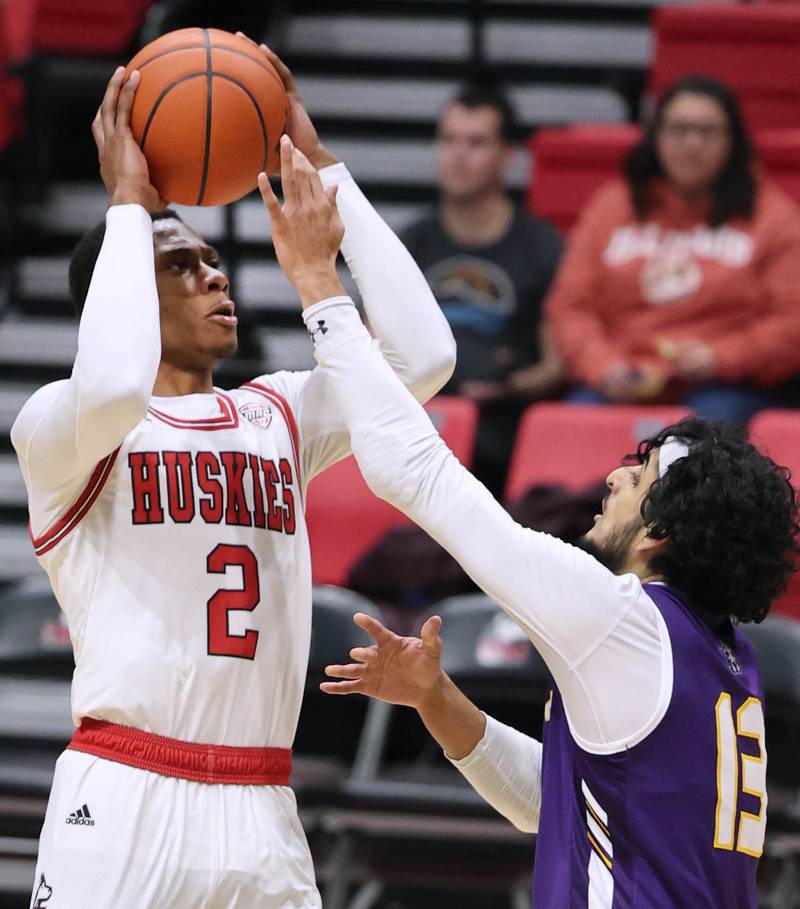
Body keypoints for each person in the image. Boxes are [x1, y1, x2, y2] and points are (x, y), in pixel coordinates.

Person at [258, 144, 799, 906]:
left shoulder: (621, 619)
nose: (611, 477)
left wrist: (319, 285)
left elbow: (414, 472)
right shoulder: (721, 657)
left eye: (636, 478)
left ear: (660, 535)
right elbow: (556, 804)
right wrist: (438, 700)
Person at [11, 46, 455, 907]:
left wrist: (326, 172)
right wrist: (129, 207)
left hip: (262, 804)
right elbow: (108, 382)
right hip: (126, 788)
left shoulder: (280, 413)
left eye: (213, 259)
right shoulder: (61, 424)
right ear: (122, 290)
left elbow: (426, 356)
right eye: (179, 264)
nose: (214, 273)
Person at [547, 75, 800, 422]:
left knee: (699, 441)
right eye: (679, 129)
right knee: (567, 427)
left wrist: (720, 357)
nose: (692, 143)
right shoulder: (612, 206)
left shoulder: (774, 217)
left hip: (723, 388)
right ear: (656, 136)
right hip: (619, 381)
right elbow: (570, 306)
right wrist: (602, 365)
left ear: (733, 142)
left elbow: (791, 322)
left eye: (708, 132)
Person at [402, 84, 564, 494]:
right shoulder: (406, 244)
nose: (458, 155)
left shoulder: (544, 247)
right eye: (449, 140)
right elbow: (369, 341)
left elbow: (558, 366)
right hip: (420, 416)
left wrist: (507, 387)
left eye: (476, 142)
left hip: (504, 427)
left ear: (507, 155)